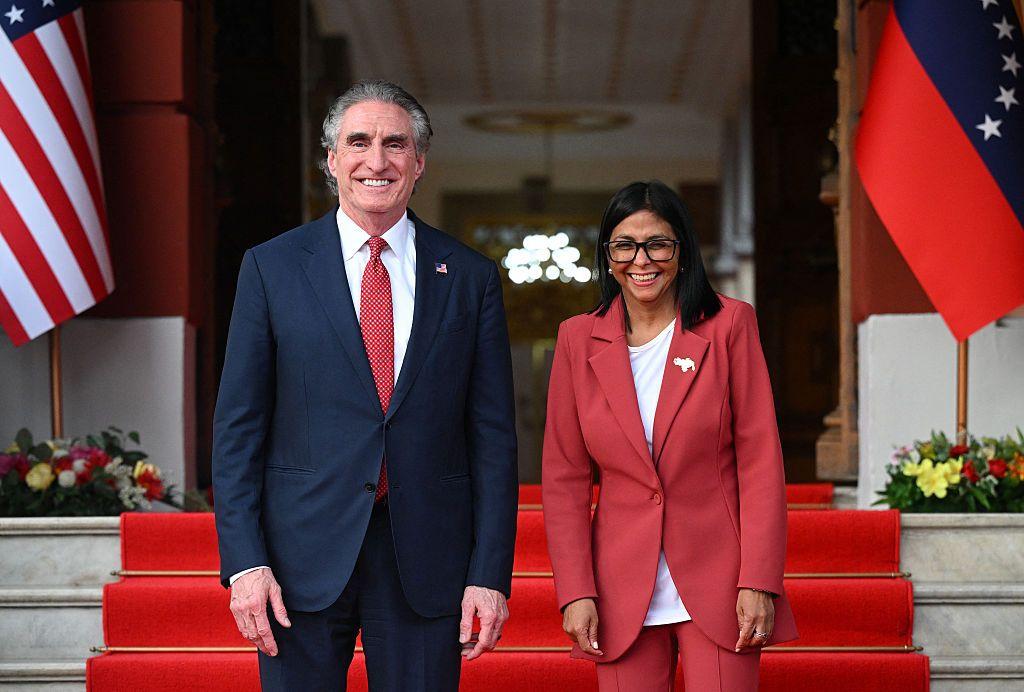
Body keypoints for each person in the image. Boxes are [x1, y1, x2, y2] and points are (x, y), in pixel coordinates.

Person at [212, 80, 518, 691]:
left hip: (426, 557)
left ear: (420, 162)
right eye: (359, 142)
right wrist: (245, 562)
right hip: (298, 559)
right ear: (331, 160)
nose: (376, 161)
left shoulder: (469, 277)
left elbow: (492, 439)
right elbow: (238, 429)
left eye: (395, 145)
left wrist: (489, 574)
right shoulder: (270, 268)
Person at [542, 180, 798, 690]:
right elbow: (565, 477)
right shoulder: (576, 338)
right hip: (618, 586)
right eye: (624, 245)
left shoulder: (729, 326)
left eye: (658, 243)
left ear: (682, 251)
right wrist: (576, 591)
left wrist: (759, 579)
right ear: (607, 255)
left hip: (721, 577)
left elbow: (760, 459)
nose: (642, 260)